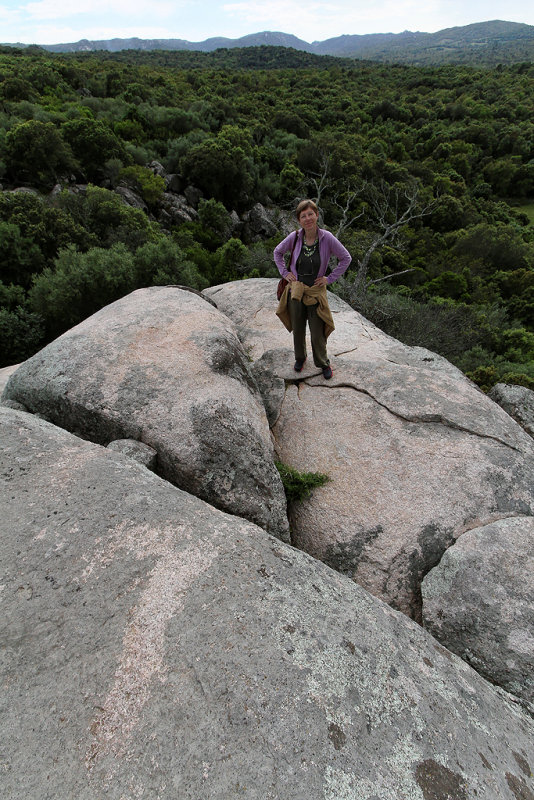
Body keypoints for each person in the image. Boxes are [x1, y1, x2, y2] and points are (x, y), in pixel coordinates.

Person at [274, 199, 351, 379]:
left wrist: (329, 278)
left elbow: (346, 258)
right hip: (297, 290)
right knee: (298, 328)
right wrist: (285, 273)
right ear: (299, 220)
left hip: (315, 292)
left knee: (317, 331)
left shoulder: (327, 238)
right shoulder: (294, 237)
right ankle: (300, 358)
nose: (307, 218)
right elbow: (277, 252)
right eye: (303, 216)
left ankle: (323, 363)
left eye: (310, 214)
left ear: (316, 215)